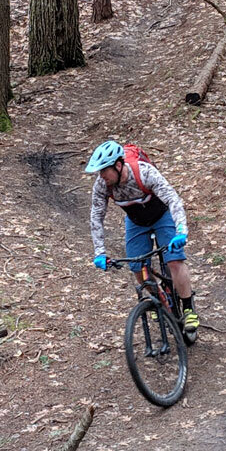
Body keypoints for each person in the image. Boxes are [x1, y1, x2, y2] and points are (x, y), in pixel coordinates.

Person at [84, 139, 200, 342]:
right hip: (136, 222)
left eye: (104, 170)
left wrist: (181, 230)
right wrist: (99, 252)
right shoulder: (102, 185)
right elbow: (96, 217)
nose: (101, 176)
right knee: (138, 267)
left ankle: (188, 309)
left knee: (174, 260)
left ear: (118, 165)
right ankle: (159, 301)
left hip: (162, 217)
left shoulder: (144, 172)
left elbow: (172, 199)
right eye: (99, 172)